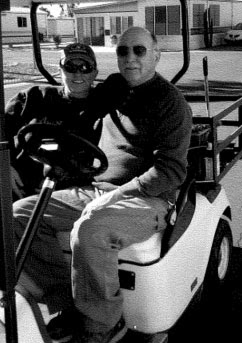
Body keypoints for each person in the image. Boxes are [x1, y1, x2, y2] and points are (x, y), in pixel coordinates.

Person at [13, 27, 192, 343]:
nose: (130, 59)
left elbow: (171, 172)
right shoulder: (114, 89)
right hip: (97, 190)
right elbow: (76, 106)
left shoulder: (171, 102)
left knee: (90, 229)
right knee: (19, 215)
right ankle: (62, 302)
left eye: (139, 50)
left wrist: (114, 196)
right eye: (123, 51)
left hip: (148, 198)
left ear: (156, 54)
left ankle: (103, 325)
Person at [5, 42, 99, 201]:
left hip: (68, 194)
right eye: (70, 66)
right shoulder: (33, 97)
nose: (77, 73)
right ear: (60, 70)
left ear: (95, 72)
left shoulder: (104, 105)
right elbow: (2, 127)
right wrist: (4, 167)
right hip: (16, 184)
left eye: (85, 67)